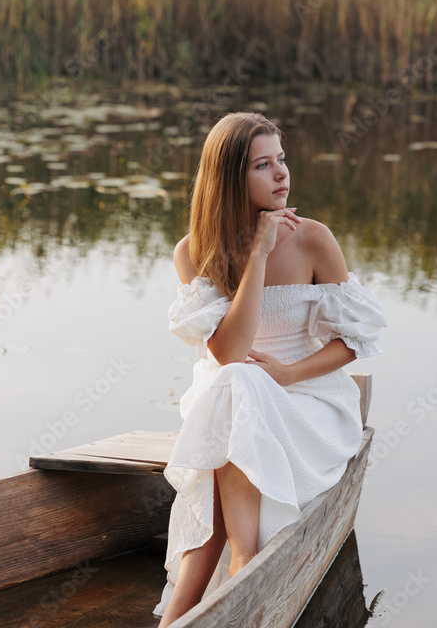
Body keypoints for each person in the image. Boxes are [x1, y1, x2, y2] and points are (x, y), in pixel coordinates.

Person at [153, 111, 387, 625]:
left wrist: (286, 374)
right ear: (229, 178)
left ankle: (227, 573)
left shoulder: (312, 238)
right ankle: (236, 569)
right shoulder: (194, 251)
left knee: (235, 390)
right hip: (230, 396)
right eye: (263, 165)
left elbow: (355, 342)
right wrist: (258, 254)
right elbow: (230, 352)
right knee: (235, 381)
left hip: (306, 398)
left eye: (281, 159)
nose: (282, 173)